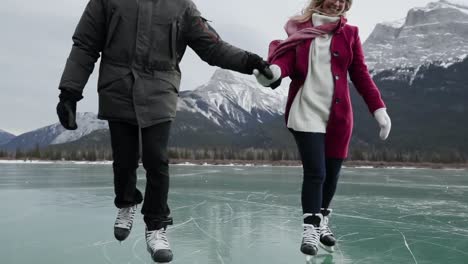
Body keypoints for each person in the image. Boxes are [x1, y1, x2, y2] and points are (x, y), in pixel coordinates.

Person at [55, 0, 273, 262]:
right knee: (124, 158)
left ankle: (156, 226)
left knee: (156, 159)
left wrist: (250, 61)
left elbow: (211, 47)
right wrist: (69, 91)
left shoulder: (182, 6)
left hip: (160, 88)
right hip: (118, 86)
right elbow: (85, 45)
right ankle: (126, 203)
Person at [254, 0, 391, 257]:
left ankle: (323, 218)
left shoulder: (350, 33)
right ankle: (311, 226)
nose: (338, 3)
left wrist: (378, 109)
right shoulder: (298, 31)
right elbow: (284, 64)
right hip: (306, 110)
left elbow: (360, 73)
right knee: (316, 172)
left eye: (344, 0)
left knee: (332, 174)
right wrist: (273, 72)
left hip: (339, 116)